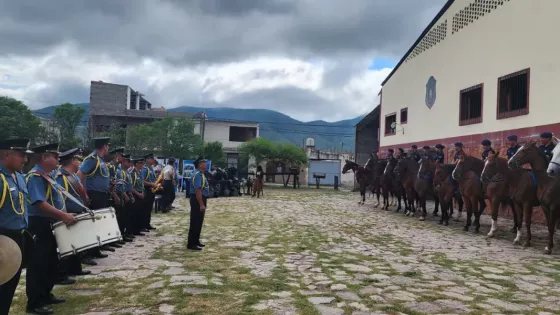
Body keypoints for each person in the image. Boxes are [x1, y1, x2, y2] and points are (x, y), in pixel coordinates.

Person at [26, 143, 77, 315]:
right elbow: (40, 203)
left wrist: (63, 214)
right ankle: (34, 302)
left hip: (50, 223)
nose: (58, 159)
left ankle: (46, 294)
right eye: (54, 156)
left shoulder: (48, 175)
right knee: (38, 264)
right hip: (39, 224)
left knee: (50, 262)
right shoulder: (35, 177)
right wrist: (63, 216)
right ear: (44, 158)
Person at [0, 138, 32, 315]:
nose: (25, 160)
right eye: (20, 155)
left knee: (10, 285)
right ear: (6, 154)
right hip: (2, 239)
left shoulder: (19, 176)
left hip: (18, 237)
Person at [54, 149, 91, 280]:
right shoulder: (61, 177)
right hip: (68, 214)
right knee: (66, 245)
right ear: (72, 161)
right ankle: (62, 273)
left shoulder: (73, 175)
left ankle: (75, 268)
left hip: (76, 212)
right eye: (77, 160)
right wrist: (64, 214)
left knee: (76, 243)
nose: (79, 163)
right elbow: (60, 197)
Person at [78, 137, 112, 260]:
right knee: (91, 224)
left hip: (102, 194)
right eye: (108, 146)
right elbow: (80, 174)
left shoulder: (100, 160)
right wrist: (84, 194)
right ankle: (87, 253)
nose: (108, 148)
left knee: (98, 224)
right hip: (94, 194)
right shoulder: (92, 159)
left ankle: (95, 249)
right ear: (104, 146)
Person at [188, 156, 209, 250]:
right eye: (204, 162)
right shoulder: (197, 175)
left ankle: (196, 240)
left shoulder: (200, 174)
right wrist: (201, 204)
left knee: (199, 221)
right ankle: (192, 243)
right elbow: (198, 190)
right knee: (195, 221)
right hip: (197, 199)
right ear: (200, 164)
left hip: (200, 198)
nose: (206, 164)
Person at [141, 153, 157, 231]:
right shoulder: (145, 169)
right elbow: (142, 181)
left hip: (152, 190)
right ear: (147, 159)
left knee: (149, 208)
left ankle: (147, 224)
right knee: (145, 208)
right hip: (147, 189)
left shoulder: (151, 168)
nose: (153, 160)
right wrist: (151, 184)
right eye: (151, 158)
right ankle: (143, 225)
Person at [131, 158, 146, 235]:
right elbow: (131, 186)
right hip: (135, 194)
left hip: (140, 194)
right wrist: (138, 194)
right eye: (141, 163)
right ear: (136, 164)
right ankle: (134, 230)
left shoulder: (140, 173)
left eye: (143, 163)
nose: (142, 165)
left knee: (140, 213)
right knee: (135, 213)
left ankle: (138, 229)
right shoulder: (133, 173)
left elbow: (142, 184)